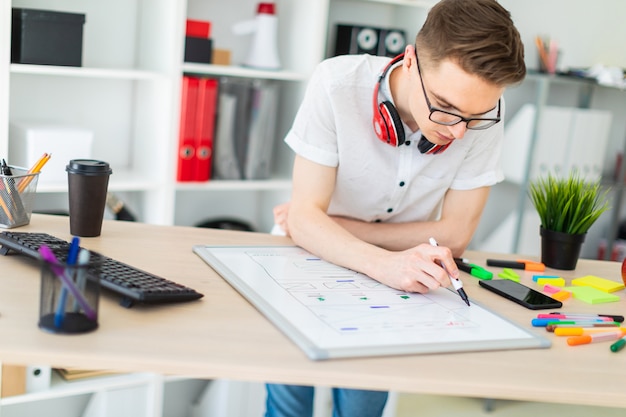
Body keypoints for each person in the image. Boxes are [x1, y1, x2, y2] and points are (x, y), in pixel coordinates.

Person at [266, 0, 526, 416]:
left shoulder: (484, 112)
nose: (459, 131)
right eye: (445, 106)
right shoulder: (336, 83)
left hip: (401, 271)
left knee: (362, 406)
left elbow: (456, 234)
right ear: (410, 60)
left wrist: (323, 224)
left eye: (474, 117)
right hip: (310, 258)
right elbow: (303, 222)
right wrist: (378, 259)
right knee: (287, 403)